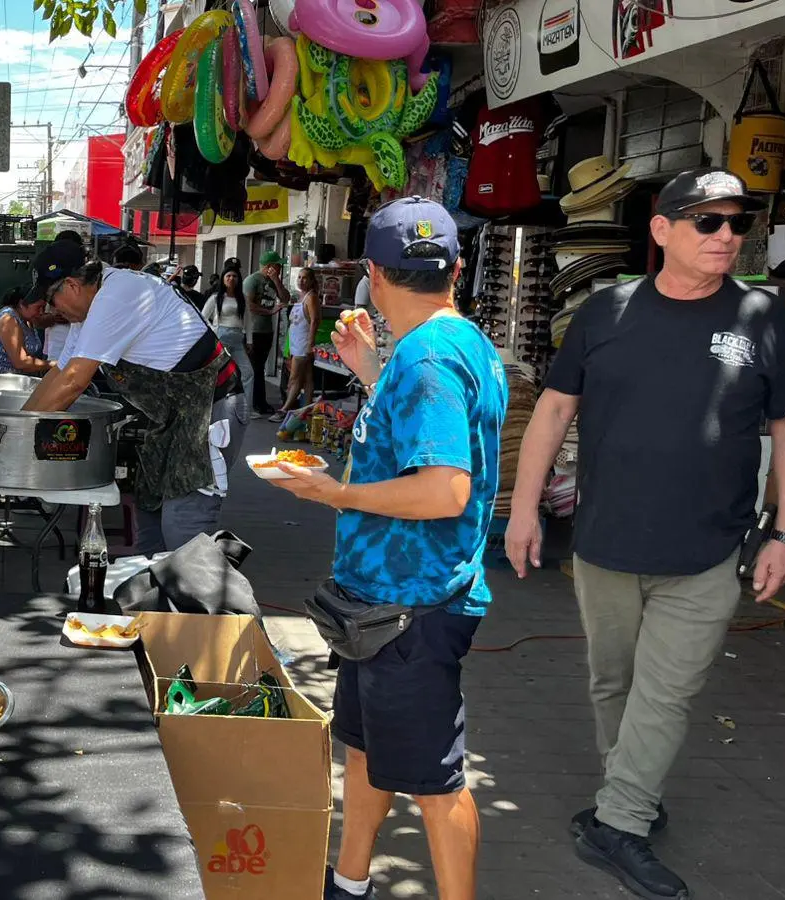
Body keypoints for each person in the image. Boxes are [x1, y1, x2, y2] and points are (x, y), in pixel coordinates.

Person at [504, 168, 785, 900]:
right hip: (606, 545)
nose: (727, 236)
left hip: (707, 548)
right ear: (662, 230)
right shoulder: (605, 314)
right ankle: (627, 793)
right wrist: (521, 508)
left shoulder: (765, 314)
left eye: (738, 223)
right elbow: (552, 413)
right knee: (616, 683)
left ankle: (622, 823)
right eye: (709, 222)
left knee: (666, 694)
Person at [270, 197, 506, 900]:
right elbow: (422, 437)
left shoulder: (431, 356)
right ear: (456, 268)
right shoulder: (449, 344)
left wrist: (332, 494)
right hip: (383, 605)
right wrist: (369, 369)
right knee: (368, 748)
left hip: (415, 606)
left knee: (435, 781)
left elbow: (443, 490)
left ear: (372, 273)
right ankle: (349, 878)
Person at [22, 241, 249, 554]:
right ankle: (150, 598)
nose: (51, 310)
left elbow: (73, 382)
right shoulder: (88, 313)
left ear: (72, 285)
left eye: (51, 299)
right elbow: (59, 374)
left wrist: (20, 437)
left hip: (210, 411)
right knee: (150, 515)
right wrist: (19, 422)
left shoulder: (118, 294)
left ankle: (195, 598)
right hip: (171, 418)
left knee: (182, 524)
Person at [202, 268, 256, 418]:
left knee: (248, 373)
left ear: (238, 279)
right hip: (221, 337)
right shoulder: (216, 298)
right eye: (228, 276)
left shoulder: (242, 298)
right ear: (223, 279)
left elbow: (248, 321)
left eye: (234, 276)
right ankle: (212, 406)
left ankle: (246, 408)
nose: (231, 278)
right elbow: (203, 317)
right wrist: (213, 331)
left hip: (238, 338)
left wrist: (250, 340)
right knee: (217, 373)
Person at [244, 251, 288, 414]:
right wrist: (269, 312)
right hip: (253, 330)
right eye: (278, 265)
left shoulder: (273, 281)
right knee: (254, 367)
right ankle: (256, 403)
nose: (280, 268)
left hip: (267, 330)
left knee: (260, 366)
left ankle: (259, 402)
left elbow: (285, 299)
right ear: (269, 266)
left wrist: (277, 281)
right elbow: (249, 306)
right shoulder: (252, 281)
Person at [273, 267, 320, 420]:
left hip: (303, 344)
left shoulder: (311, 297)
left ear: (311, 281)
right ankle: (305, 411)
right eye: (299, 277)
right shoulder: (301, 297)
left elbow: (314, 321)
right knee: (307, 379)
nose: (301, 280)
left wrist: (310, 343)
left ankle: (285, 409)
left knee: (294, 378)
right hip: (296, 343)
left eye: (305, 278)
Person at [0, 286, 50, 375]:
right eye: (38, 307)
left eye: (44, 307)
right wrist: (54, 364)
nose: (41, 312)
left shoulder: (26, 319)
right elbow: (21, 362)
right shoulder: (9, 320)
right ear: (22, 304)